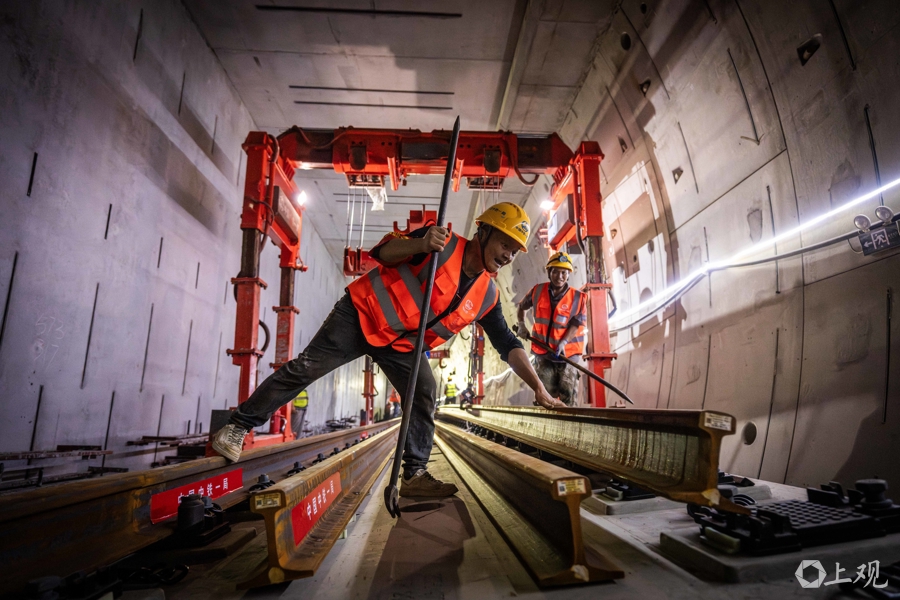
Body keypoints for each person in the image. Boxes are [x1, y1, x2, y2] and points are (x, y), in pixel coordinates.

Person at [212, 202, 564, 497]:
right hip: (361, 315)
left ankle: (414, 476)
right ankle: (238, 425)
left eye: (515, 251)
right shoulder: (441, 242)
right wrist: (421, 245)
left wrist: (539, 387)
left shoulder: (488, 295)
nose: (508, 256)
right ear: (484, 232)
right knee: (305, 368)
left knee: (426, 390)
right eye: (505, 245)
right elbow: (384, 252)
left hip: (401, 345)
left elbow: (508, 344)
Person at [515, 251, 586, 406]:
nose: (560, 276)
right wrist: (521, 325)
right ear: (549, 272)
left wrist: (564, 342)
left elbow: (576, 323)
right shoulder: (537, 291)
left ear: (568, 274)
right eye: (556, 272)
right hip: (544, 353)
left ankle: (570, 427)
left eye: (564, 272)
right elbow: (521, 307)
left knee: (567, 391)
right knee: (544, 396)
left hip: (568, 355)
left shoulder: (578, 298)